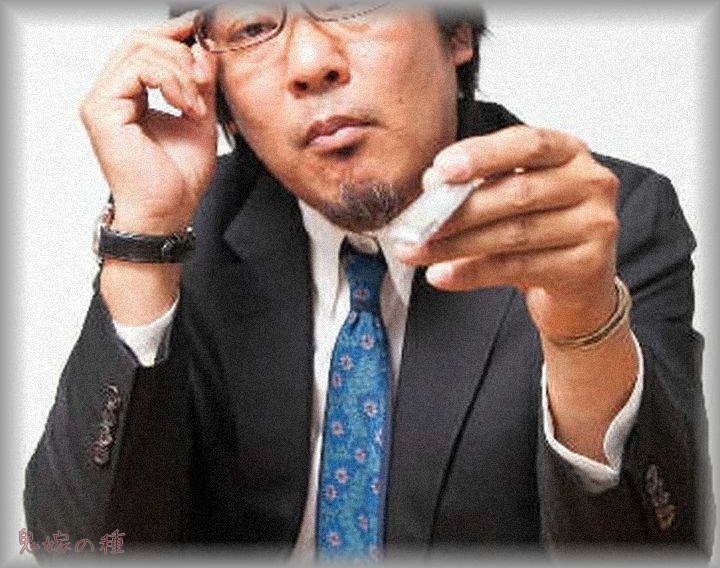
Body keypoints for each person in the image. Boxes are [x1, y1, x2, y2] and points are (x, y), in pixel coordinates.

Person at [24, 3, 712, 562]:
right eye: (254, 26)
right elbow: (75, 550)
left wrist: (583, 330)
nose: (310, 63)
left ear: (457, 31)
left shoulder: (591, 228)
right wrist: (143, 238)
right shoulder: (189, 226)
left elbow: (657, 551)